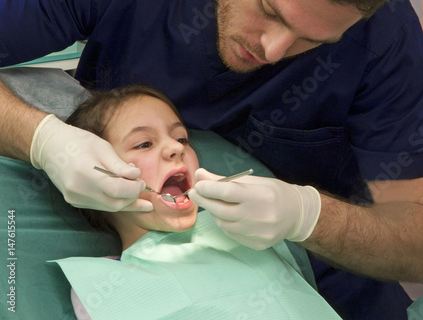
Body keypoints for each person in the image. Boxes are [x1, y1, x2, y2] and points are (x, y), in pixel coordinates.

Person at [0, 0, 421, 319]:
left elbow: (413, 238)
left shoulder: (385, 37)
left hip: (324, 285)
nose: (274, 50)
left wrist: (309, 216)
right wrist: (42, 139)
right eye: (269, 9)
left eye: (314, 41)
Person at [56, 84, 341, 320]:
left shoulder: (247, 231)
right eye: (144, 143)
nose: (176, 148)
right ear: (94, 182)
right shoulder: (102, 286)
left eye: (181, 138)